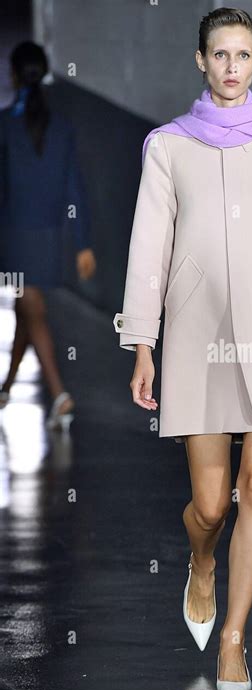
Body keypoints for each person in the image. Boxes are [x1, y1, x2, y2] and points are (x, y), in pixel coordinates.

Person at [113, 7, 252, 690]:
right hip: (199, 335)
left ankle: (234, 637)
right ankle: (200, 562)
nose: (232, 67)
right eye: (220, 54)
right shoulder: (169, 146)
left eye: (243, 55)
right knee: (210, 504)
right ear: (200, 61)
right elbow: (149, 246)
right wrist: (142, 340)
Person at [0, 41, 96, 429]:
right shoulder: (62, 128)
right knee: (28, 309)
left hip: (15, 236)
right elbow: (75, 187)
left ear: (12, 75)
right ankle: (6, 387)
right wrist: (82, 242)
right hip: (50, 237)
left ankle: (59, 394)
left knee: (32, 308)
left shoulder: (4, 125)